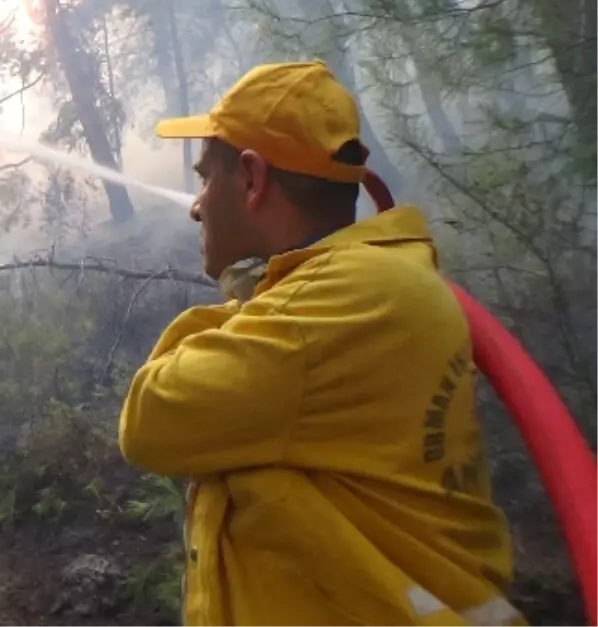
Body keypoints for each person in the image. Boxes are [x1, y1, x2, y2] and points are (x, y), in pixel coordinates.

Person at [118, 60, 526, 627]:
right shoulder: (370, 284)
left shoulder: (326, 310)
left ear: (254, 180)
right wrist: (260, 286)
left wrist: (240, 295)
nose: (196, 203)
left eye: (208, 177)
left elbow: (151, 416)